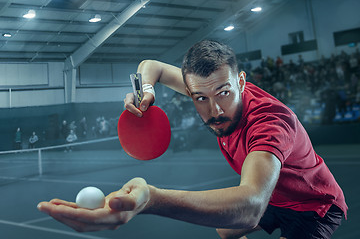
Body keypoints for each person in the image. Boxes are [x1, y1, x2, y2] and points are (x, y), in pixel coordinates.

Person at [38, 40, 347, 239]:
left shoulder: (269, 121)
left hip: (313, 206)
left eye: (224, 93)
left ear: (241, 82)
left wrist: (152, 199)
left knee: (239, 212)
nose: (214, 110)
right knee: (224, 230)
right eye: (199, 97)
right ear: (190, 90)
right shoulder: (208, 91)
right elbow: (153, 65)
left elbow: (252, 204)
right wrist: (147, 90)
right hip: (276, 196)